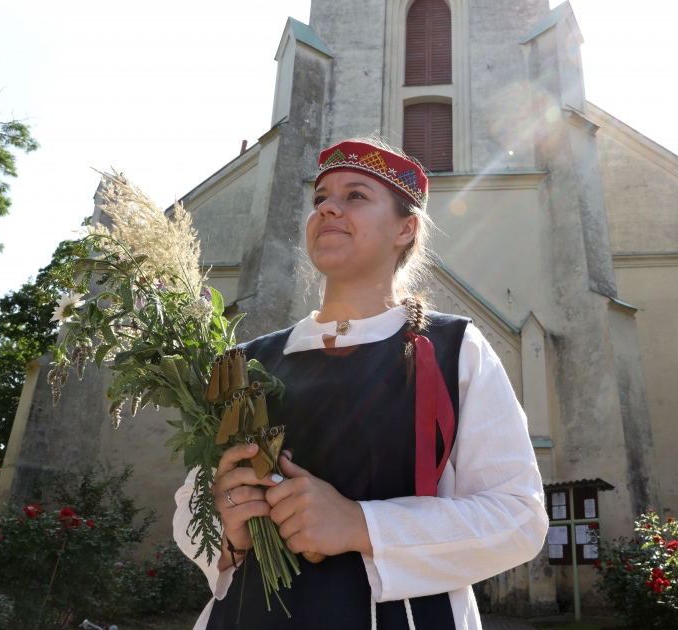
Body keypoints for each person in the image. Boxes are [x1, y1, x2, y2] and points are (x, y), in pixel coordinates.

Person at [174, 138, 548, 629]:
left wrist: (360, 525)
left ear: (405, 227)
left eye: (355, 196)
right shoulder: (246, 362)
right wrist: (230, 530)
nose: (327, 206)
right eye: (320, 198)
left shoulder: (454, 348)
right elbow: (191, 507)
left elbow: (517, 518)